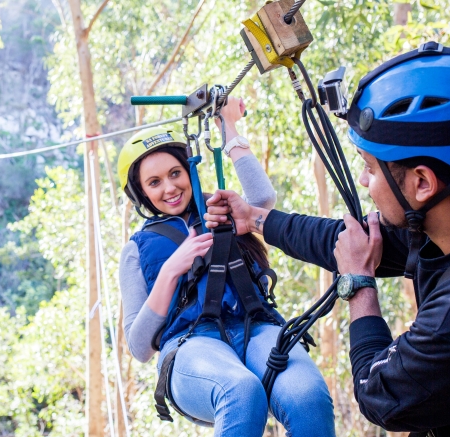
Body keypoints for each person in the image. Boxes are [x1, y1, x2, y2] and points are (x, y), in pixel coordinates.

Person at [204, 43, 450, 436]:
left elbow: (380, 396)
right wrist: (255, 218)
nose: (363, 182)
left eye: (369, 168)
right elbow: (350, 240)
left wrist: (359, 285)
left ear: (422, 182)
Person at [118, 97, 335, 437]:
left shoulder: (220, 210)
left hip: (255, 327)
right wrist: (172, 269)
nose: (170, 187)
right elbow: (139, 347)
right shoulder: (137, 249)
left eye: (175, 173)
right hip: (190, 344)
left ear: (189, 171)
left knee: (306, 398)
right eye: (155, 182)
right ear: (142, 193)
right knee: (240, 392)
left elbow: (262, 199)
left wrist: (228, 127)